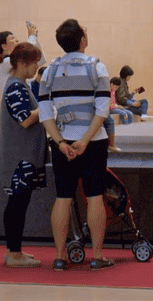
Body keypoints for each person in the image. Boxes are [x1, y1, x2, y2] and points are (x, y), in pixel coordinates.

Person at [39, 18, 114, 271]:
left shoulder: (49, 71)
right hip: (93, 142)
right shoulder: (97, 68)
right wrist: (85, 140)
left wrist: (60, 142)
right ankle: (98, 255)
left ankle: (60, 256)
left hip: (62, 143)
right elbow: (102, 111)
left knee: (63, 198)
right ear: (82, 40)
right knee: (94, 197)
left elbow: (45, 113)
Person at [0, 42, 47, 268]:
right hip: (20, 158)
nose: (37, 66)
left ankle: (13, 250)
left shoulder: (19, 85)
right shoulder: (16, 86)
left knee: (17, 204)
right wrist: (47, 108)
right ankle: (14, 253)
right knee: (17, 204)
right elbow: (25, 119)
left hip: (22, 156)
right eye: (34, 62)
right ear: (22, 63)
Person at [0, 22, 47, 97]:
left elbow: (39, 60)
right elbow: (25, 54)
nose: (17, 40)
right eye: (12, 38)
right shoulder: (4, 63)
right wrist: (32, 37)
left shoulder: (12, 61)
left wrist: (33, 37)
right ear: (4, 46)